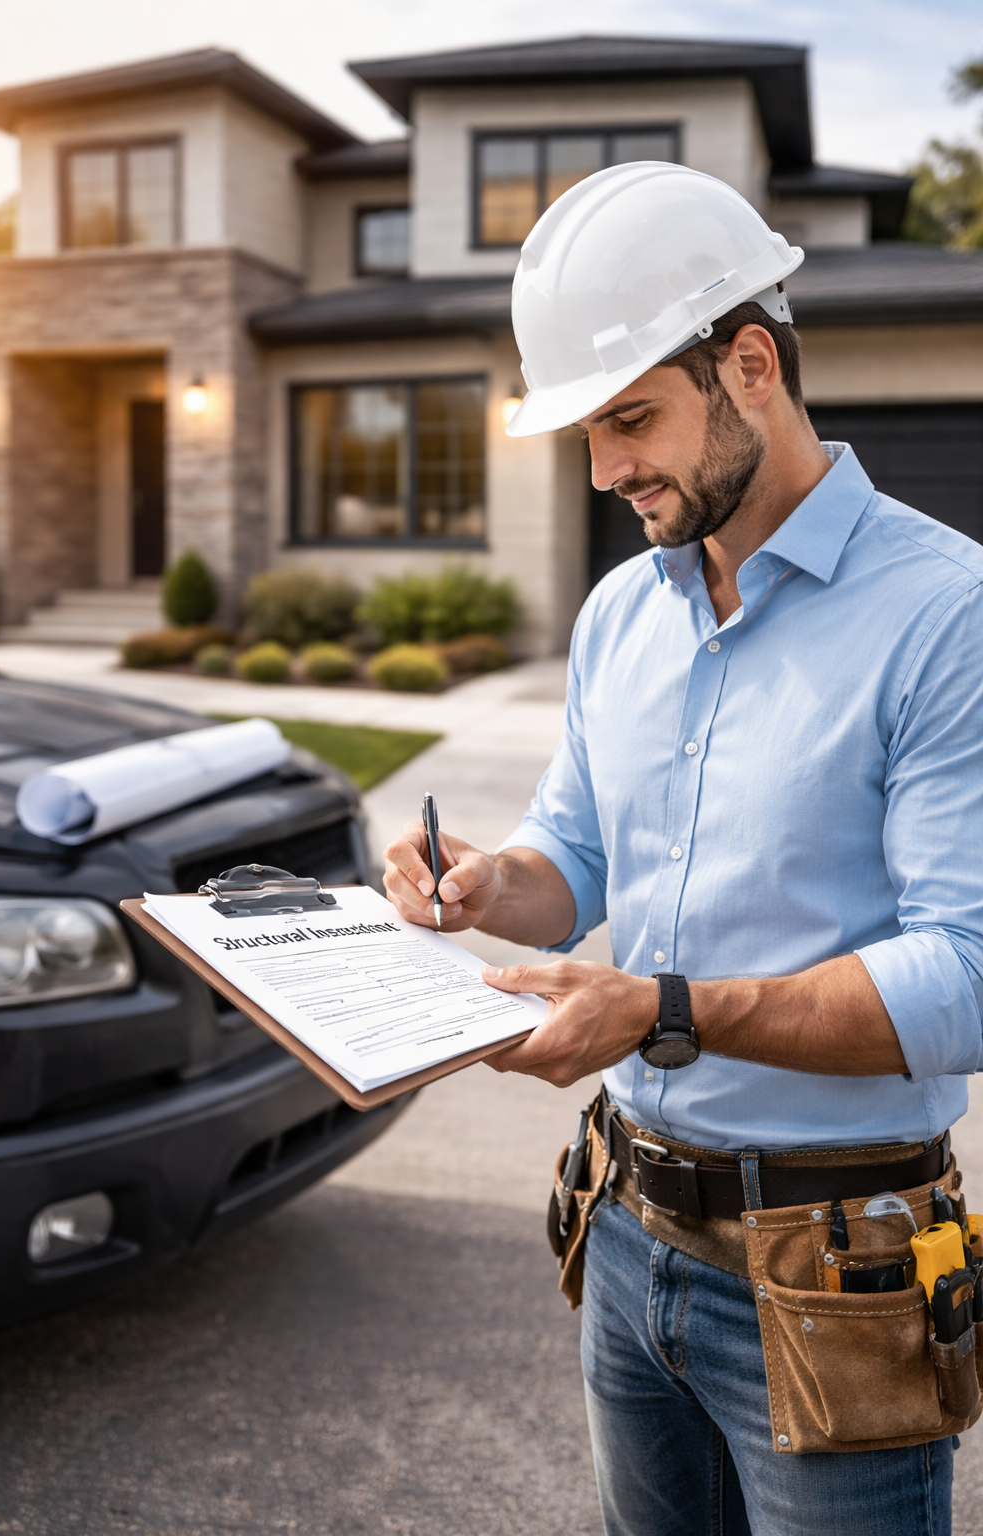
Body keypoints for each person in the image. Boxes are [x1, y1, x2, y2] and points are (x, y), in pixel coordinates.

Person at [382, 164, 983, 1536]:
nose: (605, 473)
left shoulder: (947, 615)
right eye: (588, 433)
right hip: (630, 1229)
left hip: (839, 1269)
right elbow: (572, 860)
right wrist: (485, 882)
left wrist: (660, 1011)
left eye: (633, 420)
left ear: (752, 365)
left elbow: (969, 976)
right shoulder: (619, 617)